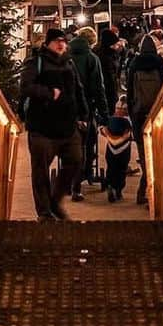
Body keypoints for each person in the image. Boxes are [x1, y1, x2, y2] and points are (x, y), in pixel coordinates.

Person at [19, 28, 88, 221]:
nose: (61, 44)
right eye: (57, 41)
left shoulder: (69, 63)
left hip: (68, 125)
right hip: (42, 127)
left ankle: (55, 201)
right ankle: (44, 212)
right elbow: (26, 87)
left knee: (75, 160)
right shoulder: (36, 62)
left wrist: (83, 113)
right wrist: (49, 94)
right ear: (48, 43)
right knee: (40, 171)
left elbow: (78, 89)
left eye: (64, 41)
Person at [127, 34, 163, 206]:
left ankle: (143, 191)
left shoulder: (134, 64)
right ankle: (154, 192)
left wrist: (132, 114)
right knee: (159, 154)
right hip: (157, 113)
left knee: (144, 156)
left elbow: (130, 93)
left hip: (139, 115)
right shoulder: (160, 63)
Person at [67, 27, 108, 200]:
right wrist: (104, 113)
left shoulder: (64, 57)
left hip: (64, 109)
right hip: (85, 109)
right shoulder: (92, 59)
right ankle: (79, 183)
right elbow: (98, 88)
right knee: (84, 145)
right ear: (91, 41)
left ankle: (68, 181)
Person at [100, 108, 134, 203]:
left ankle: (110, 184)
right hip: (124, 148)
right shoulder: (127, 121)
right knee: (122, 169)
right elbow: (131, 133)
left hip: (110, 147)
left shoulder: (110, 119)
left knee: (111, 167)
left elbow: (102, 129)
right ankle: (118, 190)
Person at [95, 23, 126, 107]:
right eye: (114, 44)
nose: (116, 46)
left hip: (109, 90)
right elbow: (109, 77)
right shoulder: (105, 57)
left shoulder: (111, 54)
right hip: (106, 91)